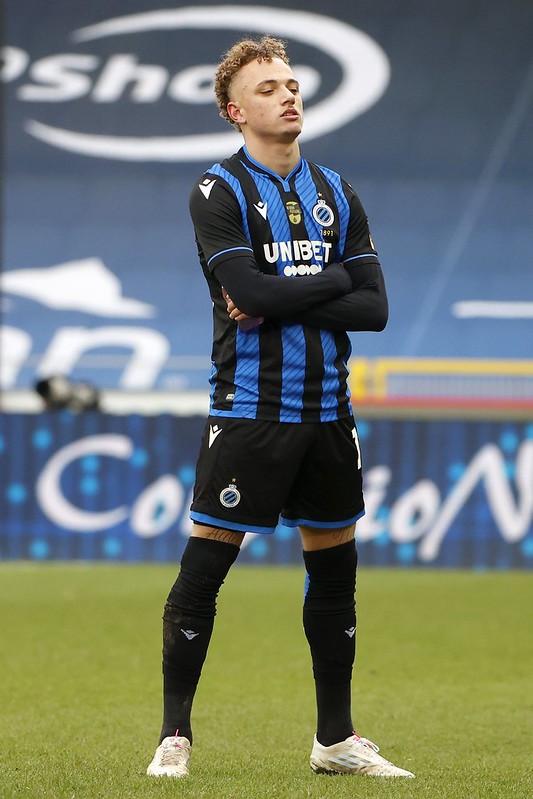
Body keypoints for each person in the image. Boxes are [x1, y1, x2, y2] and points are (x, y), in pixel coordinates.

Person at [147, 35, 414, 780]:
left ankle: (335, 739)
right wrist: (329, 283)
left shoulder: (337, 191)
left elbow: (376, 309)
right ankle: (175, 734)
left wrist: (286, 293)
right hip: (250, 410)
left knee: (335, 577)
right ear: (236, 111)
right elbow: (260, 295)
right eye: (267, 88)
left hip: (329, 414)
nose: (287, 94)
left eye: (291, 83)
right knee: (205, 569)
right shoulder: (219, 191)